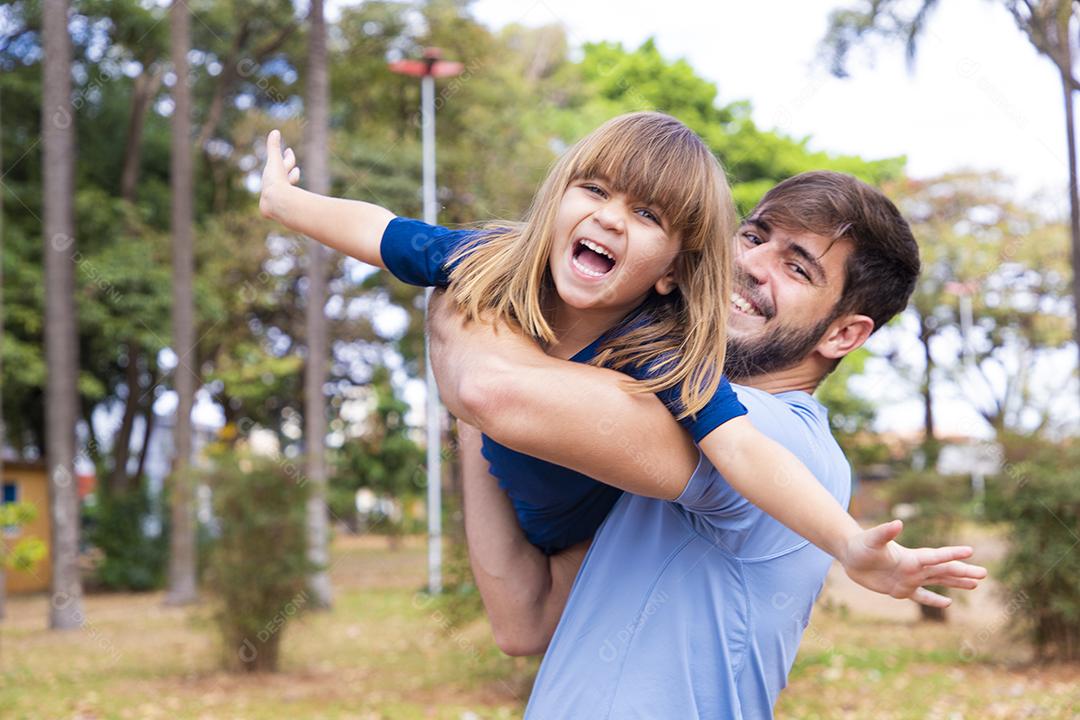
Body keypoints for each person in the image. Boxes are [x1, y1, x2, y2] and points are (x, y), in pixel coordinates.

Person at [258, 114, 982, 607]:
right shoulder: (486, 259)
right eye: (596, 190)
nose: (609, 217)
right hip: (516, 506)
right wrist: (287, 203)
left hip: (582, 534)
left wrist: (848, 542)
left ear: (672, 269)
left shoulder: (664, 353)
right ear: (558, 199)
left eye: (648, 216)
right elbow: (381, 230)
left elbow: (744, 450)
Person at [425, 171, 988, 718]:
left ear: (844, 334)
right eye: (754, 235)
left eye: (796, 267)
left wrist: (470, 285)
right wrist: (477, 396)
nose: (748, 265)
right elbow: (526, 618)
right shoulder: (678, 425)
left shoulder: (766, 436)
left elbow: (493, 391)